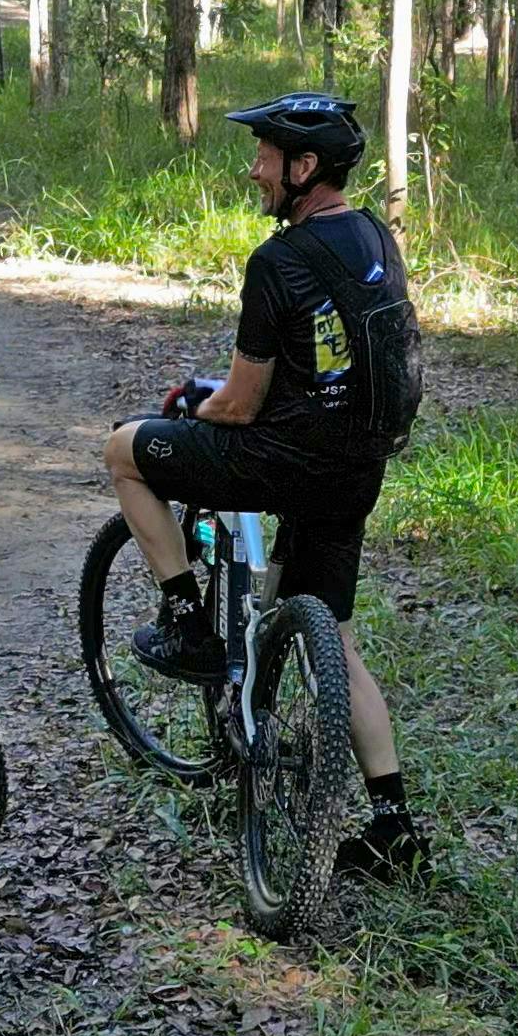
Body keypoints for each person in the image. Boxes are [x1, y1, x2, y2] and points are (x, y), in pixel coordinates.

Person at [101, 92, 429, 880]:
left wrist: (190, 405)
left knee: (123, 450)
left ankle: (187, 620)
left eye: (265, 157)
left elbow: (240, 405)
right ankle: (394, 825)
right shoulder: (375, 236)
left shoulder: (276, 261)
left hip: (280, 462)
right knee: (337, 642)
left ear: (302, 167)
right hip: (356, 470)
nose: (253, 171)